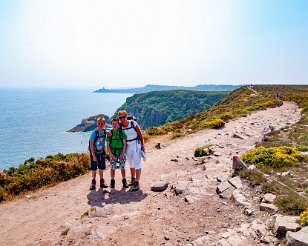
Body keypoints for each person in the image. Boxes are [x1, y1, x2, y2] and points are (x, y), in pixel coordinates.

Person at [118, 110, 145, 191]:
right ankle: (133, 179)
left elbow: (140, 134)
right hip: (128, 146)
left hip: (136, 144)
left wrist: (143, 146)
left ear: (126, 116)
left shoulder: (133, 123)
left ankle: (137, 182)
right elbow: (113, 129)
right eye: (120, 117)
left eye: (124, 117)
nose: (122, 119)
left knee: (137, 163)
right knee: (131, 164)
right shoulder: (120, 126)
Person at [106, 118, 128, 188]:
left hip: (121, 152)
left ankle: (124, 181)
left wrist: (123, 154)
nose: (114, 125)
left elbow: (125, 144)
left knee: (122, 167)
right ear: (111, 124)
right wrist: (111, 155)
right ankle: (112, 182)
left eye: (116, 123)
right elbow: (108, 145)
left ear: (118, 124)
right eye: (113, 124)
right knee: (112, 168)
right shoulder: (109, 133)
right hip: (113, 153)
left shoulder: (122, 132)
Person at [89, 116, 108, 190]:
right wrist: (93, 155)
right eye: (99, 123)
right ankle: (93, 182)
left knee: (101, 168)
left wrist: (108, 132)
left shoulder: (105, 131)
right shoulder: (94, 133)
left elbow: (112, 129)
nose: (100, 124)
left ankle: (102, 182)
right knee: (94, 168)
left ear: (104, 124)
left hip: (101, 152)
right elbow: (91, 145)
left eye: (102, 123)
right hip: (94, 152)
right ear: (97, 124)